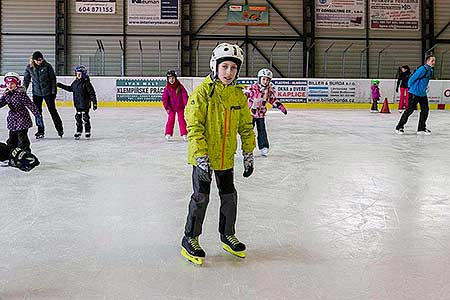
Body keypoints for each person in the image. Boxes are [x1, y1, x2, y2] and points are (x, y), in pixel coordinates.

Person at [180, 43, 256, 265]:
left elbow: (245, 126)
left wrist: (248, 152)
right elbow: (193, 126)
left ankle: (227, 234)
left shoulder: (237, 95)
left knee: (229, 196)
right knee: (201, 197)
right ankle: (190, 239)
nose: (229, 72)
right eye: (225, 67)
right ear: (215, 66)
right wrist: (201, 156)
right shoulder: (202, 92)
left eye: (233, 68)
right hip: (203, 157)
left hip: (225, 158)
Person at [244, 68, 287, 157]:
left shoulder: (269, 90)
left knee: (262, 130)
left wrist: (280, 106)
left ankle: (264, 147)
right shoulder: (252, 88)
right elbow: (244, 96)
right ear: (259, 79)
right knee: (249, 131)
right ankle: (248, 148)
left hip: (260, 114)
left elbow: (272, 100)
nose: (265, 81)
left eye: (267, 79)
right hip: (250, 114)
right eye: (263, 79)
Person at [23, 51, 64, 139]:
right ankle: (40, 130)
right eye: (37, 60)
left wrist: (54, 92)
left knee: (52, 111)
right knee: (37, 113)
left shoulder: (47, 66)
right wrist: (24, 90)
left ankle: (59, 128)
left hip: (48, 93)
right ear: (34, 60)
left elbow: (53, 79)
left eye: (40, 60)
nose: (39, 61)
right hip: (36, 93)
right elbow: (26, 80)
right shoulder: (30, 67)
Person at [0, 72, 43, 153]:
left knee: (22, 137)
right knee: (12, 137)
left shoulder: (21, 94)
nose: (10, 85)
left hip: (22, 117)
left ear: (17, 84)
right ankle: (11, 153)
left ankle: (25, 153)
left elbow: (30, 104)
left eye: (12, 83)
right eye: (8, 83)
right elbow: (1, 102)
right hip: (12, 119)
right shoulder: (6, 93)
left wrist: (37, 115)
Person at [395, 55, 435, 135]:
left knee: (425, 110)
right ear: (427, 61)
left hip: (422, 94)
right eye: (432, 61)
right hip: (414, 93)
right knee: (409, 110)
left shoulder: (430, 70)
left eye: (434, 61)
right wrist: (411, 89)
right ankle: (399, 127)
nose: (434, 62)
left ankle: (421, 129)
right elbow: (411, 79)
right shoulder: (422, 69)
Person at [57, 65, 97, 139]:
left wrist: (94, 103)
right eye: (77, 73)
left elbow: (92, 93)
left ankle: (87, 131)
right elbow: (70, 88)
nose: (78, 75)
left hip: (85, 104)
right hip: (77, 104)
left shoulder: (87, 83)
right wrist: (60, 85)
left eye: (80, 74)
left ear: (83, 74)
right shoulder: (75, 82)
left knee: (85, 117)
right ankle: (79, 131)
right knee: (78, 117)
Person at [162, 70, 188, 141]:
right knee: (170, 120)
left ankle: (184, 134)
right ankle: (168, 133)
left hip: (180, 107)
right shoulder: (167, 88)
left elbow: (184, 95)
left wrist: (186, 104)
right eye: (169, 78)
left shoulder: (180, 86)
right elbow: (164, 98)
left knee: (181, 120)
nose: (171, 80)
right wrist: (167, 107)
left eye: (173, 78)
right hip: (171, 108)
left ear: (175, 78)